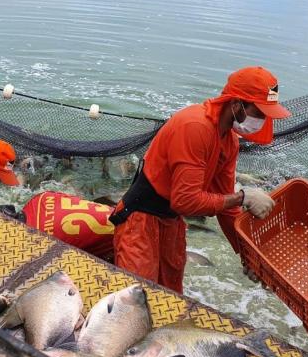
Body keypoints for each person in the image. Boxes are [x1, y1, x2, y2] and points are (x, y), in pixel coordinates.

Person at [110, 66, 291, 293]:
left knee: (171, 297)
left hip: (171, 222)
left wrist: (248, 256)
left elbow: (227, 211)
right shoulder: (195, 127)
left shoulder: (229, 142)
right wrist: (242, 197)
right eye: (260, 112)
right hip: (140, 220)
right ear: (236, 105)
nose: (263, 119)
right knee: (137, 298)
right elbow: (184, 201)